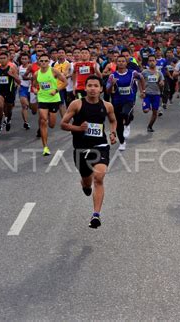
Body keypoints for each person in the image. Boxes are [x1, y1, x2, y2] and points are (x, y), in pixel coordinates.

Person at [61, 75, 117, 229]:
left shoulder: (107, 106)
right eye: (90, 85)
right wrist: (78, 128)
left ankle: (96, 215)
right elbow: (63, 124)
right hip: (81, 148)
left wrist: (113, 133)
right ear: (85, 88)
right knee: (87, 180)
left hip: (100, 145)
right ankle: (85, 184)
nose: (92, 88)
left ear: (100, 89)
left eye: (96, 86)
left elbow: (113, 120)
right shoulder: (76, 104)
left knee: (99, 177)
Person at [106, 55, 146, 151]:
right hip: (117, 101)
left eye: (123, 61)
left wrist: (143, 90)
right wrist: (111, 84)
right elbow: (107, 91)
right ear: (116, 63)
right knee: (119, 123)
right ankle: (122, 142)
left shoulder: (133, 73)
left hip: (129, 99)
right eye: (119, 61)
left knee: (125, 113)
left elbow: (141, 78)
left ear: (126, 63)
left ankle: (127, 123)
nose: (121, 63)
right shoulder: (112, 75)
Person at [32, 53, 67, 156]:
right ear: (38, 62)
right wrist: (35, 90)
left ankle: (48, 115)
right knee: (43, 121)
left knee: (51, 124)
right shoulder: (36, 74)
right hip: (42, 99)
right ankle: (45, 147)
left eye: (46, 61)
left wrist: (56, 90)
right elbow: (34, 85)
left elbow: (65, 82)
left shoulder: (53, 71)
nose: (43, 63)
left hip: (53, 99)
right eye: (41, 61)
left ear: (49, 62)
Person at [0, 52, 21, 133]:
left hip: (10, 92)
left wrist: (12, 75)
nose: (2, 60)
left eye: (4, 58)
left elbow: (19, 81)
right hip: (0, 92)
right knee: (0, 106)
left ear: (8, 59)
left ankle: (8, 120)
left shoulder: (12, 68)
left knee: (9, 109)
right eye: (1, 58)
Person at [141, 55, 164, 132]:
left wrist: (161, 83)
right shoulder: (144, 72)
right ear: (148, 62)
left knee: (155, 112)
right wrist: (142, 91)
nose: (151, 62)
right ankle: (147, 105)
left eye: (153, 60)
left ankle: (150, 126)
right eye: (150, 61)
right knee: (146, 110)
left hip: (156, 94)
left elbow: (162, 81)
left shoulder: (159, 73)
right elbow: (139, 81)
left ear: (156, 62)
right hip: (147, 94)